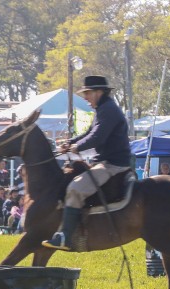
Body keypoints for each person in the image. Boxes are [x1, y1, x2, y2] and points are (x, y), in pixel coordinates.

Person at [43, 75, 132, 251]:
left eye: (88, 93)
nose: (85, 97)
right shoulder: (103, 108)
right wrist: (71, 143)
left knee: (75, 188)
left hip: (112, 165)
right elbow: (90, 132)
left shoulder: (108, 110)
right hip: (104, 162)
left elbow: (97, 137)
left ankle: (65, 237)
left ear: (99, 92)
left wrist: (77, 146)